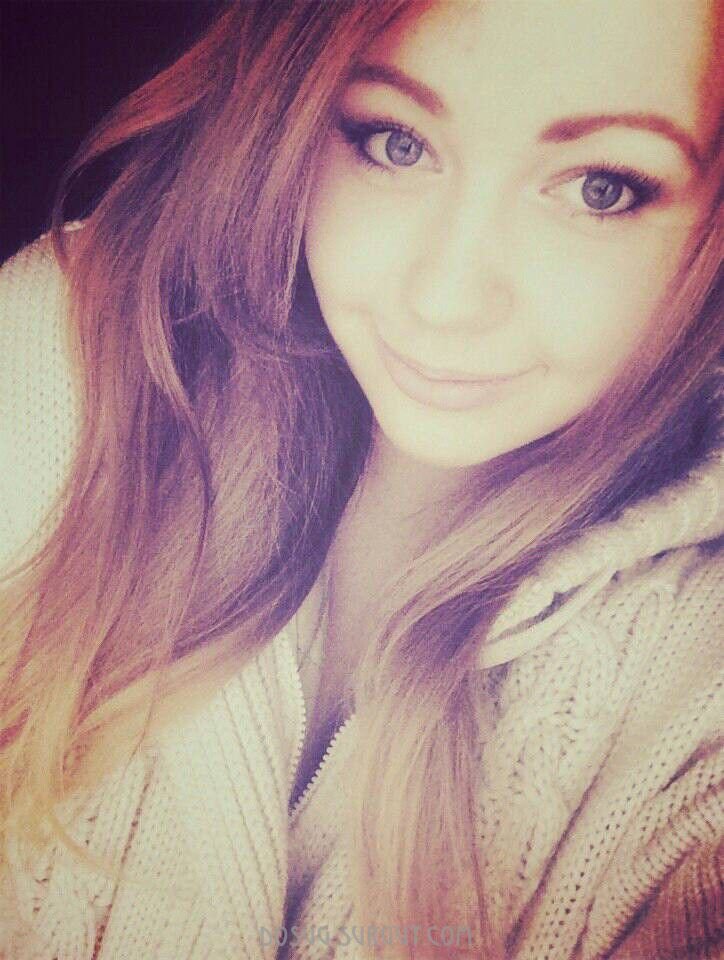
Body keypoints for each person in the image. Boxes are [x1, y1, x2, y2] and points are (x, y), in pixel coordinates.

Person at [0, 0, 722, 957]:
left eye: (602, 189)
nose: (445, 299)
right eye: (395, 142)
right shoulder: (68, 353)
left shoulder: (699, 706)